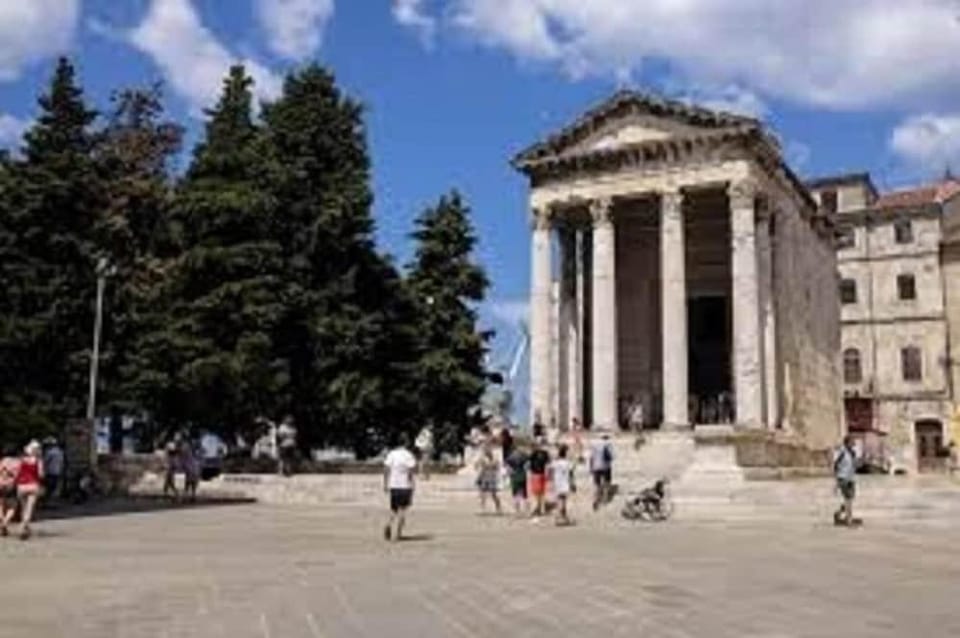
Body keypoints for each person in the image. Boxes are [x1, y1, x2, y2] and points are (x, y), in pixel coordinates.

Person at [383, 434, 417, 542]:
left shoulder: (392, 454)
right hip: (404, 486)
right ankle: (398, 534)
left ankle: (389, 524)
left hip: (394, 485)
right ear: (406, 443)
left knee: (394, 509)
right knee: (402, 511)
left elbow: (386, 469)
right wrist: (412, 484)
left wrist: (385, 483)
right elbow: (411, 471)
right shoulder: (408, 455)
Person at [14, 440, 43, 540]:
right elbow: (41, 474)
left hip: (21, 486)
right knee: (29, 509)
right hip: (33, 485)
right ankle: (23, 527)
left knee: (23, 508)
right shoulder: (38, 461)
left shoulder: (21, 460)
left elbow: (17, 472)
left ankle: (25, 528)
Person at [833, 435, 859, 526]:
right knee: (848, 499)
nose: (854, 443)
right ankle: (849, 519)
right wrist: (836, 481)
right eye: (852, 441)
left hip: (851, 478)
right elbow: (836, 466)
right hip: (843, 478)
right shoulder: (841, 452)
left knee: (850, 499)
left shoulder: (853, 453)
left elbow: (854, 465)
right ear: (847, 443)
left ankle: (839, 512)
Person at [589, 433, 614, 511]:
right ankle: (605, 499)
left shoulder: (594, 444)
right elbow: (612, 457)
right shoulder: (608, 444)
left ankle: (595, 500)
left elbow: (591, 457)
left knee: (597, 485)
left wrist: (591, 467)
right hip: (606, 466)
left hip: (596, 467)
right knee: (606, 483)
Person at [0, 445, 21, 537]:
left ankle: (2, 519)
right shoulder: (18, 462)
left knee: (1, 504)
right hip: (11, 485)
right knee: (12, 507)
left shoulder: (2, 461)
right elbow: (19, 475)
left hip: (0, 484)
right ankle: (5, 522)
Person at [475, 446, 502, 514]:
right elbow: (476, 466)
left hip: (492, 478)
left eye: (488, 451)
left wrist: (485, 463)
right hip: (484, 477)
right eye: (485, 451)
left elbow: (496, 467)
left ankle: (498, 508)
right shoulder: (482, 458)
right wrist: (479, 462)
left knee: (493, 494)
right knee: (482, 494)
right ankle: (482, 509)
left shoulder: (495, 459)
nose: (487, 452)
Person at [552, 444, 574, 526]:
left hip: (557, 482)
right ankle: (560, 518)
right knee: (563, 500)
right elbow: (571, 474)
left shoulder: (555, 462)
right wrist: (572, 484)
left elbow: (551, 471)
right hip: (564, 483)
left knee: (560, 500)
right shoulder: (567, 463)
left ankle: (563, 517)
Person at [528, 439, 550, 517]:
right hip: (542, 474)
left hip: (535, 475)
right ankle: (541, 508)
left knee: (536, 493)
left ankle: (538, 508)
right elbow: (548, 464)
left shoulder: (533, 453)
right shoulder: (545, 453)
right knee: (541, 493)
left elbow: (529, 463)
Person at [505, 444, 529, 516]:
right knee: (524, 494)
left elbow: (508, 467)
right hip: (522, 475)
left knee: (515, 493)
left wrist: (510, 473)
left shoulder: (510, 457)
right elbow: (527, 465)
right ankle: (526, 510)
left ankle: (517, 510)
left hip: (514, 476)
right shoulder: (523, 455)